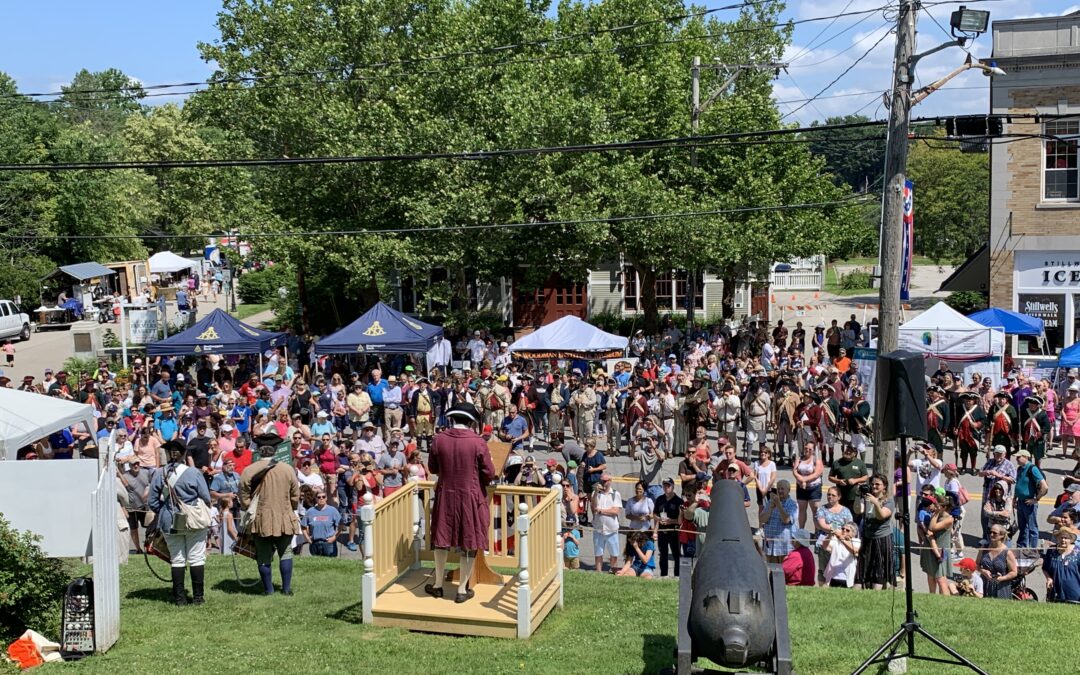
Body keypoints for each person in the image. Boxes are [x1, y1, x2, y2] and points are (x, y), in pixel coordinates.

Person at [425, 402, 497, 603]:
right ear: (471, 422)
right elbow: (489, 473)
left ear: (453, 419)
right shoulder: (477, 442)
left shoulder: (439, 439)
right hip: (470, 496)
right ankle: (462, 590)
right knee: (469, 540)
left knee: (441, 538)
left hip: (446, 493)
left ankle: (438, 585)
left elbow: (432, 468)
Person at [149, 440, 212, 605]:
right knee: (196, 557)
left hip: (169, 519)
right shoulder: (194, 473)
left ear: (169, 454)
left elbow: (152, 501)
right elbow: (206, 497)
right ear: (184, 454)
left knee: (177, 558)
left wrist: (163, 511)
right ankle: (198, 598)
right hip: (193, 518)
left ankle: (179, 599)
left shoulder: (159, 473)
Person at [239, 433, 301, 596]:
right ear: (276, 450)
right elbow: (295, 495)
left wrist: (249, 507)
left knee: (263, 556)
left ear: (259, 450)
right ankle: (286, 589)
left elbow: (243, 497)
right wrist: (291, 507)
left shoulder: (249, 470)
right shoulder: (288, 469)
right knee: (286, 552)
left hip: (260, 518)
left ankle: (269, 590)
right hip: (283, 516)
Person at [855, 475, 895, 590]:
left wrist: (876, 503)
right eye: (872, 484)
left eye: (877, 484)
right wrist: (858, 496)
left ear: (884, 486)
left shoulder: (889, 502)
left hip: (882, 539)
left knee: (879, 568)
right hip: (868, 537)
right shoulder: (867, 499)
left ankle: (878, 589)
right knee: (864, 566)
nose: (874, 486)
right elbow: (858, 510)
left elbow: (881, 516)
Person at [918, 494, 954, 595]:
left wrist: (936, 512)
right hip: (930, 549)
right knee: (930, 575)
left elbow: (932, 527)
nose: (933, 506)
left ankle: (945, 601)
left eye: (936, 504)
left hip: (941, 551)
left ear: (944, 507)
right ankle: (932, 596)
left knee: (941, 579)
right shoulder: (934, 515)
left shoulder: (949, 519)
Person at [1013, 449, 1048, 549]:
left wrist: (1036, 499)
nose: (1016, 459)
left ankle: (1032, 549)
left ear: (1026, 457)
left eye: (1019, 457)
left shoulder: (1032, 468)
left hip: (1029, 503)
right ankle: (1022, 548)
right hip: (1020, 501)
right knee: (1022, 527)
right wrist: (1014, 498)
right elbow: (1018, 484)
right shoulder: (1020, 469)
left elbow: (1044, 486)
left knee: (1032, 528)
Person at [976, 523, 1018, 600]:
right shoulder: (984, 548)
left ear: (1001, 535)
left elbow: (1014, 572)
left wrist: (1001, 578)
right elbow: (976, 565)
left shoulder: (1007, 553)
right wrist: (983, 571)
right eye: (990, 532)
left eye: (994, 533)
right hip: (984, 584)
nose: (991, 534)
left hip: (1001, 587)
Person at [592, 474, 623, 573]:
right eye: (601, 481)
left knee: (614, 554)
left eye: (605, 481)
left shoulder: (615, 494)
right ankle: (598, 572)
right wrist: (596, 493)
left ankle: (614, 572)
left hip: (612, 529)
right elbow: (593, 508)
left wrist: (601, 511)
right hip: (598, 528)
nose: (603, 483)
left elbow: (615, 511)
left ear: (610, 481)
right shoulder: (596, 493)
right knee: (598, 553)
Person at [760, 480, 797, 564]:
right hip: (770, 544)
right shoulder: (770, 502)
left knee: (785, 571)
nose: (780, 491)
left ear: (788, 490)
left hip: (784, 546)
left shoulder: (793, 504)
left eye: (782, 489)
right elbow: (762, 519)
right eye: (778, 489)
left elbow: (786, 520)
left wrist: (779, 505)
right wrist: (770, 508)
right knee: (773, 571)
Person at [119, 461, 151, 554]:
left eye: (137, 463)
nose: (136, 466)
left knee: (149, 527)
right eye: (133, 464)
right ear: (129, 466)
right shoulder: (125, 476)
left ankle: (148, 547)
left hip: (144, 506)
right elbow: (124, 486)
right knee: (134, 529)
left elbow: (151, 483)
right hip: (131, 507)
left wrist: (148, 491)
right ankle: (138, 549)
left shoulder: (146, 473)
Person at [653, 478, 683, 577]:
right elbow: (655, 514)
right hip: (662, 531)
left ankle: (677, 576)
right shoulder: (659, 499)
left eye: (668, 485)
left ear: (673, 486)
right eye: (664, 485)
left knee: (676, 555)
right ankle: (663, 575)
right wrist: (656, 529)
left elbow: (681, 520)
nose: (666, 488)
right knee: (663, 555)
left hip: (673, 531)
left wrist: (671, 521)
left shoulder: (678, 501)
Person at [1043, 526, 1080, 602]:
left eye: (1066, 538)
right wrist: (1049, 578)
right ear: (1057, 538)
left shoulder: (1078, 552)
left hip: (1075, 592)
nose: (1063, 540)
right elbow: (1045, 568)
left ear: (1070, 540)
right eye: (1061, 537)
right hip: (1056, 593)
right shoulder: (1051, 551)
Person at [828, 445, 869, 514]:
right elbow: (830, 477)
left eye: (851, 451)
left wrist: (855, 480)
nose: (848, 452)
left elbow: (865, 477)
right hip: (840, 496)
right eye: (847, 450)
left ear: (855, 453)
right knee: (841, 516)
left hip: (855, 497)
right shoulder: (837, 463)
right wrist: (838, 481)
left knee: (855, 518)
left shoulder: (860, 463)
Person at [301, 492, 342, 557]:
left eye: (323, 497)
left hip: (328, 543)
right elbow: (303, 526)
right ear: (316, 499)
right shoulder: (310, 511)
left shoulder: (333, 510)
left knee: (330, 565)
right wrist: (307, 538)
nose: (321, 499)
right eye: (319, 497)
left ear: (326, 498)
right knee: (316, 565)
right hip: (314, 543)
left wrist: (334, 537)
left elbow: (341, 525)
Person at [794, 441, 824, 530]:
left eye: (810, 449)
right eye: (806, 448)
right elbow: (795, 471)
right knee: (802, 510)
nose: (807, 450)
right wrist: (801, 479)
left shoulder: (816, 460)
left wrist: (804, 480)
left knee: (815, 511)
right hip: (801, 488)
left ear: (814, 450)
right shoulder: (799, 459)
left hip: (814, 488)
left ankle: (816, 531)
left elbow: (817, 474)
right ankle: (801, 530)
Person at [823, 522, 860, 588]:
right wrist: (830, 534)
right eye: (843, 529)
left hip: (847, 577)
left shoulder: (856, 541)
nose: (844, 531)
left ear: (853, 533)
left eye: (847, 530)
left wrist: (842, 539)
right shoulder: (836, 540)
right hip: (833, 575)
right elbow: (825, 546)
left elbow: (854, 551)